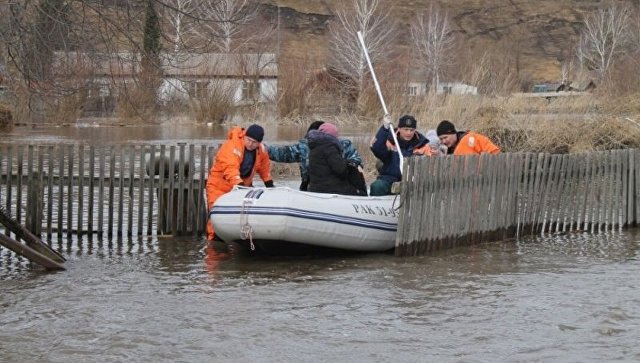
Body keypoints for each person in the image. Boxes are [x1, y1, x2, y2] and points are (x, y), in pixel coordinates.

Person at [206, 124, 274, 240]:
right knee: (216, 219)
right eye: (249, 140)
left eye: (254, 142)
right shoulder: (232, 145)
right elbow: (230, 168)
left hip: (241, 189)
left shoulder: (261, 151)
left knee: (240, 219)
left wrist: (269, 184)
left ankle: (236, 243)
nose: (250, 144)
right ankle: (214, 247)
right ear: (244, 136)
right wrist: (240, 185)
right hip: (219, 186)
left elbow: (264, 168)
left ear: (259, 143)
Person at [267, 121, 363, 191]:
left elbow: (356, 162)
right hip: (312, 187)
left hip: (335, 187)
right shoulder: (304, 147)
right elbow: (282, 153)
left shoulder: (344, 145)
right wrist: (261, 147)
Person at [369, 115, 432, 196]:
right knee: (377, 186)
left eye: (411, 130)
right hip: (389, 179)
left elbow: (429, 167)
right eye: (406, 129)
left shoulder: (423, 145)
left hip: (413, 182)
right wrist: (384, 129)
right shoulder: (389, 140)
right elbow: (377, 149)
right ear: (399, 129)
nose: (409, 133)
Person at [307, 122, 366, 196]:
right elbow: (341, 170)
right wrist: (350, 165)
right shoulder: (329, 148)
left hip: (315, 188)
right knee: (355, 176)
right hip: (331, 189)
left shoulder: (313, 148)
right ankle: (363, 199)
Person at [436, 120, 501, 155]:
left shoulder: (469, 139)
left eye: (445, 137)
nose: (443, 141)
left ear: (453, 133)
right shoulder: (452, 148)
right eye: (441, 139)